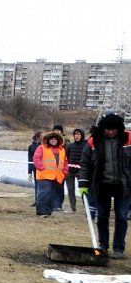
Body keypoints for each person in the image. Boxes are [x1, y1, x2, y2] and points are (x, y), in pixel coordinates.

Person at [79, 111, 131, 259]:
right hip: (102, 185)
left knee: (121, 217)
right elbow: (85, 164)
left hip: (123, 185)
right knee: (102, 216)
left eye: (113, 129)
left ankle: (118, 248)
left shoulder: (129, 139)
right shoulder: (93, 141)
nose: (110, 132)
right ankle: (103, 245)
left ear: (118, 128)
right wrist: (83, 183)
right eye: (107, 129)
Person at [33, 131, 68, 217]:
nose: (53, 140)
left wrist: (64, 172)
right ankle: (41, 212)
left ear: (58, 140)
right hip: (44, 176)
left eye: (55, 139)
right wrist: (41, 168)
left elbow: (65, 163)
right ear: (48, 140)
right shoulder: (41, 148)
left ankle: (48, 211)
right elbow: (36, 158)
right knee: (44, 195)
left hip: (56, 177)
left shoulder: (62, 150)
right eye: (51, 139)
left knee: (52, 195)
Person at [64, 128, 86, 212]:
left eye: (78, 134)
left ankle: (87, 207)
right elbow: (66, 157)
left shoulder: (86, 145)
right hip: (70, 171)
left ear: (82, 135)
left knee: (83, 190)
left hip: (81, 171)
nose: (76, 136)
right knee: (70, 190)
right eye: (75, 134)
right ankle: (72, 207)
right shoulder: (70, 146)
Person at [52, 124, 69, 210]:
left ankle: (58, 204)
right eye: (55, 130)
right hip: (51, 169)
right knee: (52, 187)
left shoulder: (66, 142)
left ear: (62, 132)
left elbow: (68, 154)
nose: (57, 131)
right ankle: (53, 204)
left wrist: (66, 170)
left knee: (60, 187)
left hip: (62, 168)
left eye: (58, 130)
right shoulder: (50, 140)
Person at [28, 131, 42, 207]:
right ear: (37, 137)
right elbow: (29, 159)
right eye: (41, 136)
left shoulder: (44, 146)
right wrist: (29, 172)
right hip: (35, 169)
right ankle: (37, 200)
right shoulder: (31, 147)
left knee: (42, 185)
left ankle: (41, 200)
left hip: (43, 169)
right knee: (37, 185)